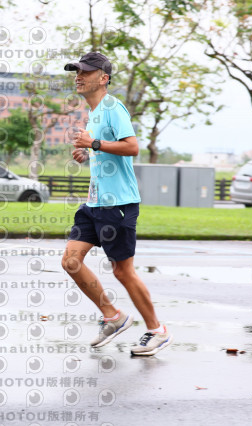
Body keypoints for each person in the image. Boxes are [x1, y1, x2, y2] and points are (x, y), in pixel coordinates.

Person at [61, 52, 172, 356]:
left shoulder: (112, 107)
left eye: (85, 72)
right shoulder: (95, 113)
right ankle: (113, 317)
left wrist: (94, 144)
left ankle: (157, 330)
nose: (78, 77)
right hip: (94, 203)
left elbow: (132, 147)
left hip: (118, 204)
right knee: (70, 261)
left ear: (103, 78)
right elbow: (106, 151)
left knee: (123, 271)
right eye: (76, 72)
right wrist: (88, 153)